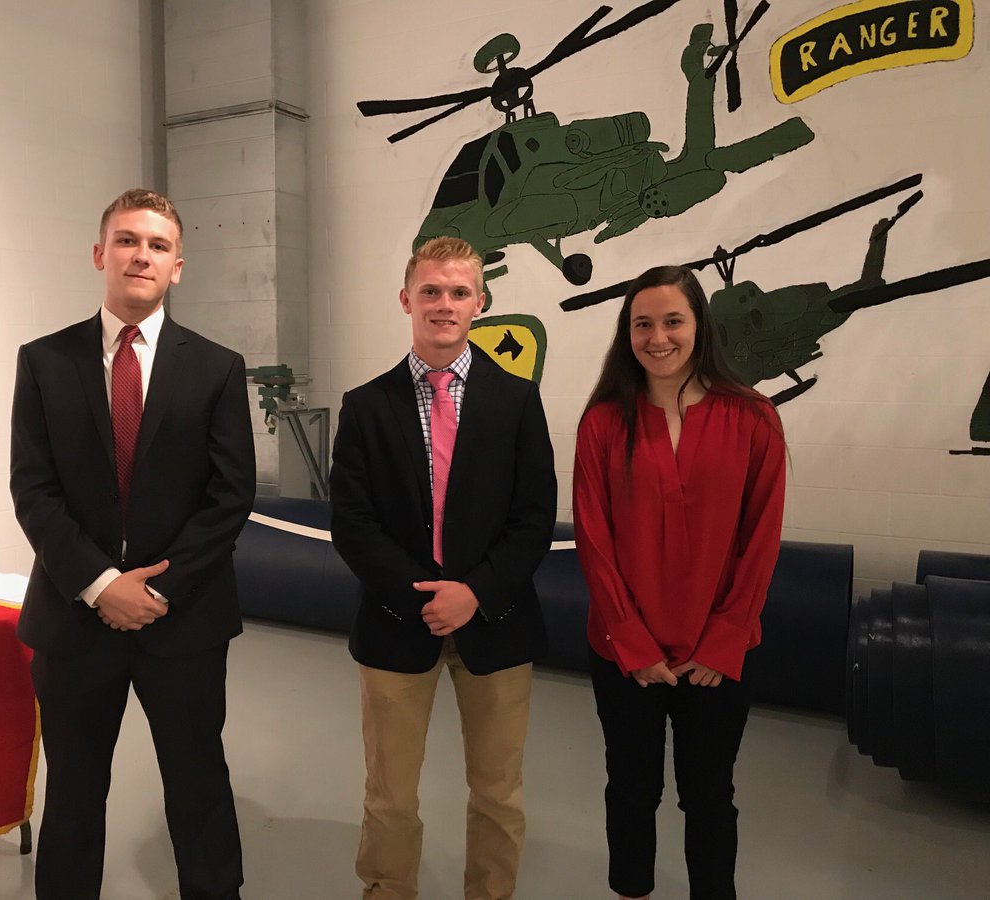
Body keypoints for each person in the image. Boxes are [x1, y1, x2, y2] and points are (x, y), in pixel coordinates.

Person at [10, 188, 255, 899]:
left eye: (157, 245)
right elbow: (33, 489)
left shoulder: (217, 368)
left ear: (177, 266)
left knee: (198, 783)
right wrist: (100, 585)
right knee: (74, 793)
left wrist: (156, 590)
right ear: (100, 254)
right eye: (126, 240)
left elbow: (229, 496)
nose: (140, 255)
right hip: (73, 618)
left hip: (183, 620)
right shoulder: (44, 361)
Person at [329, 236, 557, 900]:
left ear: (480, 302)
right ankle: (387, 890)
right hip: (397, 621)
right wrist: (423, 596)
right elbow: (353, 523)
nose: (444, 304)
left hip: (497, 620)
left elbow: (534, 518)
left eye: (459, 292)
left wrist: (474, 593)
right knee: (390, 795)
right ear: (406, 299)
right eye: (430, 290)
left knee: (498, 792)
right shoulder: (367, 406)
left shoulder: (516, 401)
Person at [573, 265, 787, 900]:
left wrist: (724, 640)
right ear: (627, 333)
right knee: (630, 789)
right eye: (643, 324)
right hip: (625, 654)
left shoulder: (753, 417)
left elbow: (761, 539)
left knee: (710, 795)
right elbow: (593, 538)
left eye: (673, 321)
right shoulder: (602, 422)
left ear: (700, 326)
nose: (658, 337)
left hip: (715, 658)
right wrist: (631, 642)